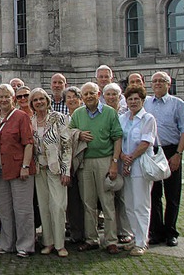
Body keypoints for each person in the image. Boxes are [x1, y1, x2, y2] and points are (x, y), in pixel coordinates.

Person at [69, 82, 123, 255]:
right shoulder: (77, 114)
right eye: (85, 94)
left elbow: (117, 138)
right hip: (85, 162)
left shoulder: (109, 112)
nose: (89, 97)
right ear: (81, 98)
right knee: (88, 203)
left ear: (98, 93)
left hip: (104, 160)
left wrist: (114, 162)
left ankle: (111, 240)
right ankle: (91, 239)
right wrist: (78, 134)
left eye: (92, 93)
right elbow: (68, 134)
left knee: (107, 202)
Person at [144, 71, 184, 247]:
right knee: (154, 194)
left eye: (161, 81)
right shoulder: (146, 103)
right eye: (155, 81)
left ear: (169, 84)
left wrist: (178, 154)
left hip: (171, 151)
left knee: (173, 194)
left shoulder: (177, 104)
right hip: (152, 151)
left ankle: (171, 232)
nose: (158, 83)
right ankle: (156, 232)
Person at [0, 84, 36, 258]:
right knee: (5, 209)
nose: (3, 100)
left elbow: (28, 143)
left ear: (13, 99)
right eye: (0, 96)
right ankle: (7, 243)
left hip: (19, 170)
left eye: (7, 97)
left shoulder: (21, 116)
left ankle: (25, 245)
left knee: (22, 209)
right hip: (1, 170)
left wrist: (25, 166)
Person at [29, 88, 71, 257]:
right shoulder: (30, 120)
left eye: (42, 99)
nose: (39, 102)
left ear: (47, 100)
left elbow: (67, 145)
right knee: (44, 206)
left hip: (56, 168)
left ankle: (61, 244)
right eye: (35, 100)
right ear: (32, 104)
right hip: (39, 169)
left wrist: (66, 170)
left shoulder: (58, 118)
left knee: (58, 206)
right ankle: (48, 242)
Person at [119, 85, 157, 256]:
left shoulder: (148, 119)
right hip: (125, 165)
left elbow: (145, 143)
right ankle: (135, 237)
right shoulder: (123, 118)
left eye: (136, 99)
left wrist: (130, 158)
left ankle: (142, 242)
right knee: (129, 203)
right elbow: (117, 139)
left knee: (141, 204)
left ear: (142, 100)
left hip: (140, 165)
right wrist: (121, 156)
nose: (133, 102)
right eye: (130, 99)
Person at [103, 82, 132, 246]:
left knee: (122, 196)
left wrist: (119, 156)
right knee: (108, 197)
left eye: (115, 94)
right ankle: (111, 231)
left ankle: (124, 230)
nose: (112, 97)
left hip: (123, 159)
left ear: (120, 96)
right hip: (106, 158)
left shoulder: (127, 113)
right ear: (104, 96)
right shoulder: (101, 112)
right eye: (108, 94)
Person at [64, 85, 85, 244]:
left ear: (80, 99)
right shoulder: (64, 118)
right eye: (68, 98)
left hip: (84, 161)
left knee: (87, 199)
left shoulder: (86, 116)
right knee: (72, 200)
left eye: (74, 97)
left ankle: (88, 231)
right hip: (68, 163)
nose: (71, 100)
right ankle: (75, 230)